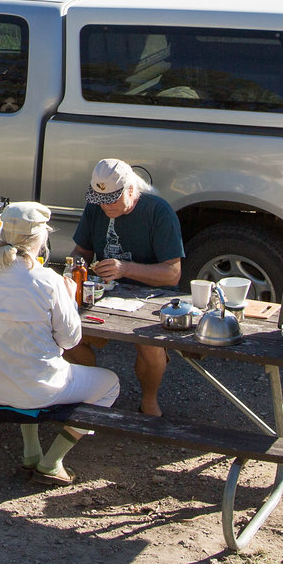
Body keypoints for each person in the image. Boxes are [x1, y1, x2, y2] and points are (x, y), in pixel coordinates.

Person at [0, 201, 120, 483]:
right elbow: (71, 341)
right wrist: (69, 298)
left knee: (21, 360)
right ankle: (52, 461)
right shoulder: (48, 280)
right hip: (36, 388)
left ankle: (31, 453)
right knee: (109, 384)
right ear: (40, 239)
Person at [64, 158, 184, 417]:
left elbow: (173, 274)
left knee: (150, 344)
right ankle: (92, 390)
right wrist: (74, 270)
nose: (106, 205)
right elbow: (81, 252)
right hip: (104, 293)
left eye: (113, 199)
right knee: (64, 330)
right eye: (100, 199)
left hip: (151, 296)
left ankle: (149, 400)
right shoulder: (97, 206)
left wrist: (126, 268)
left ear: (131, 190)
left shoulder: (159, 212)